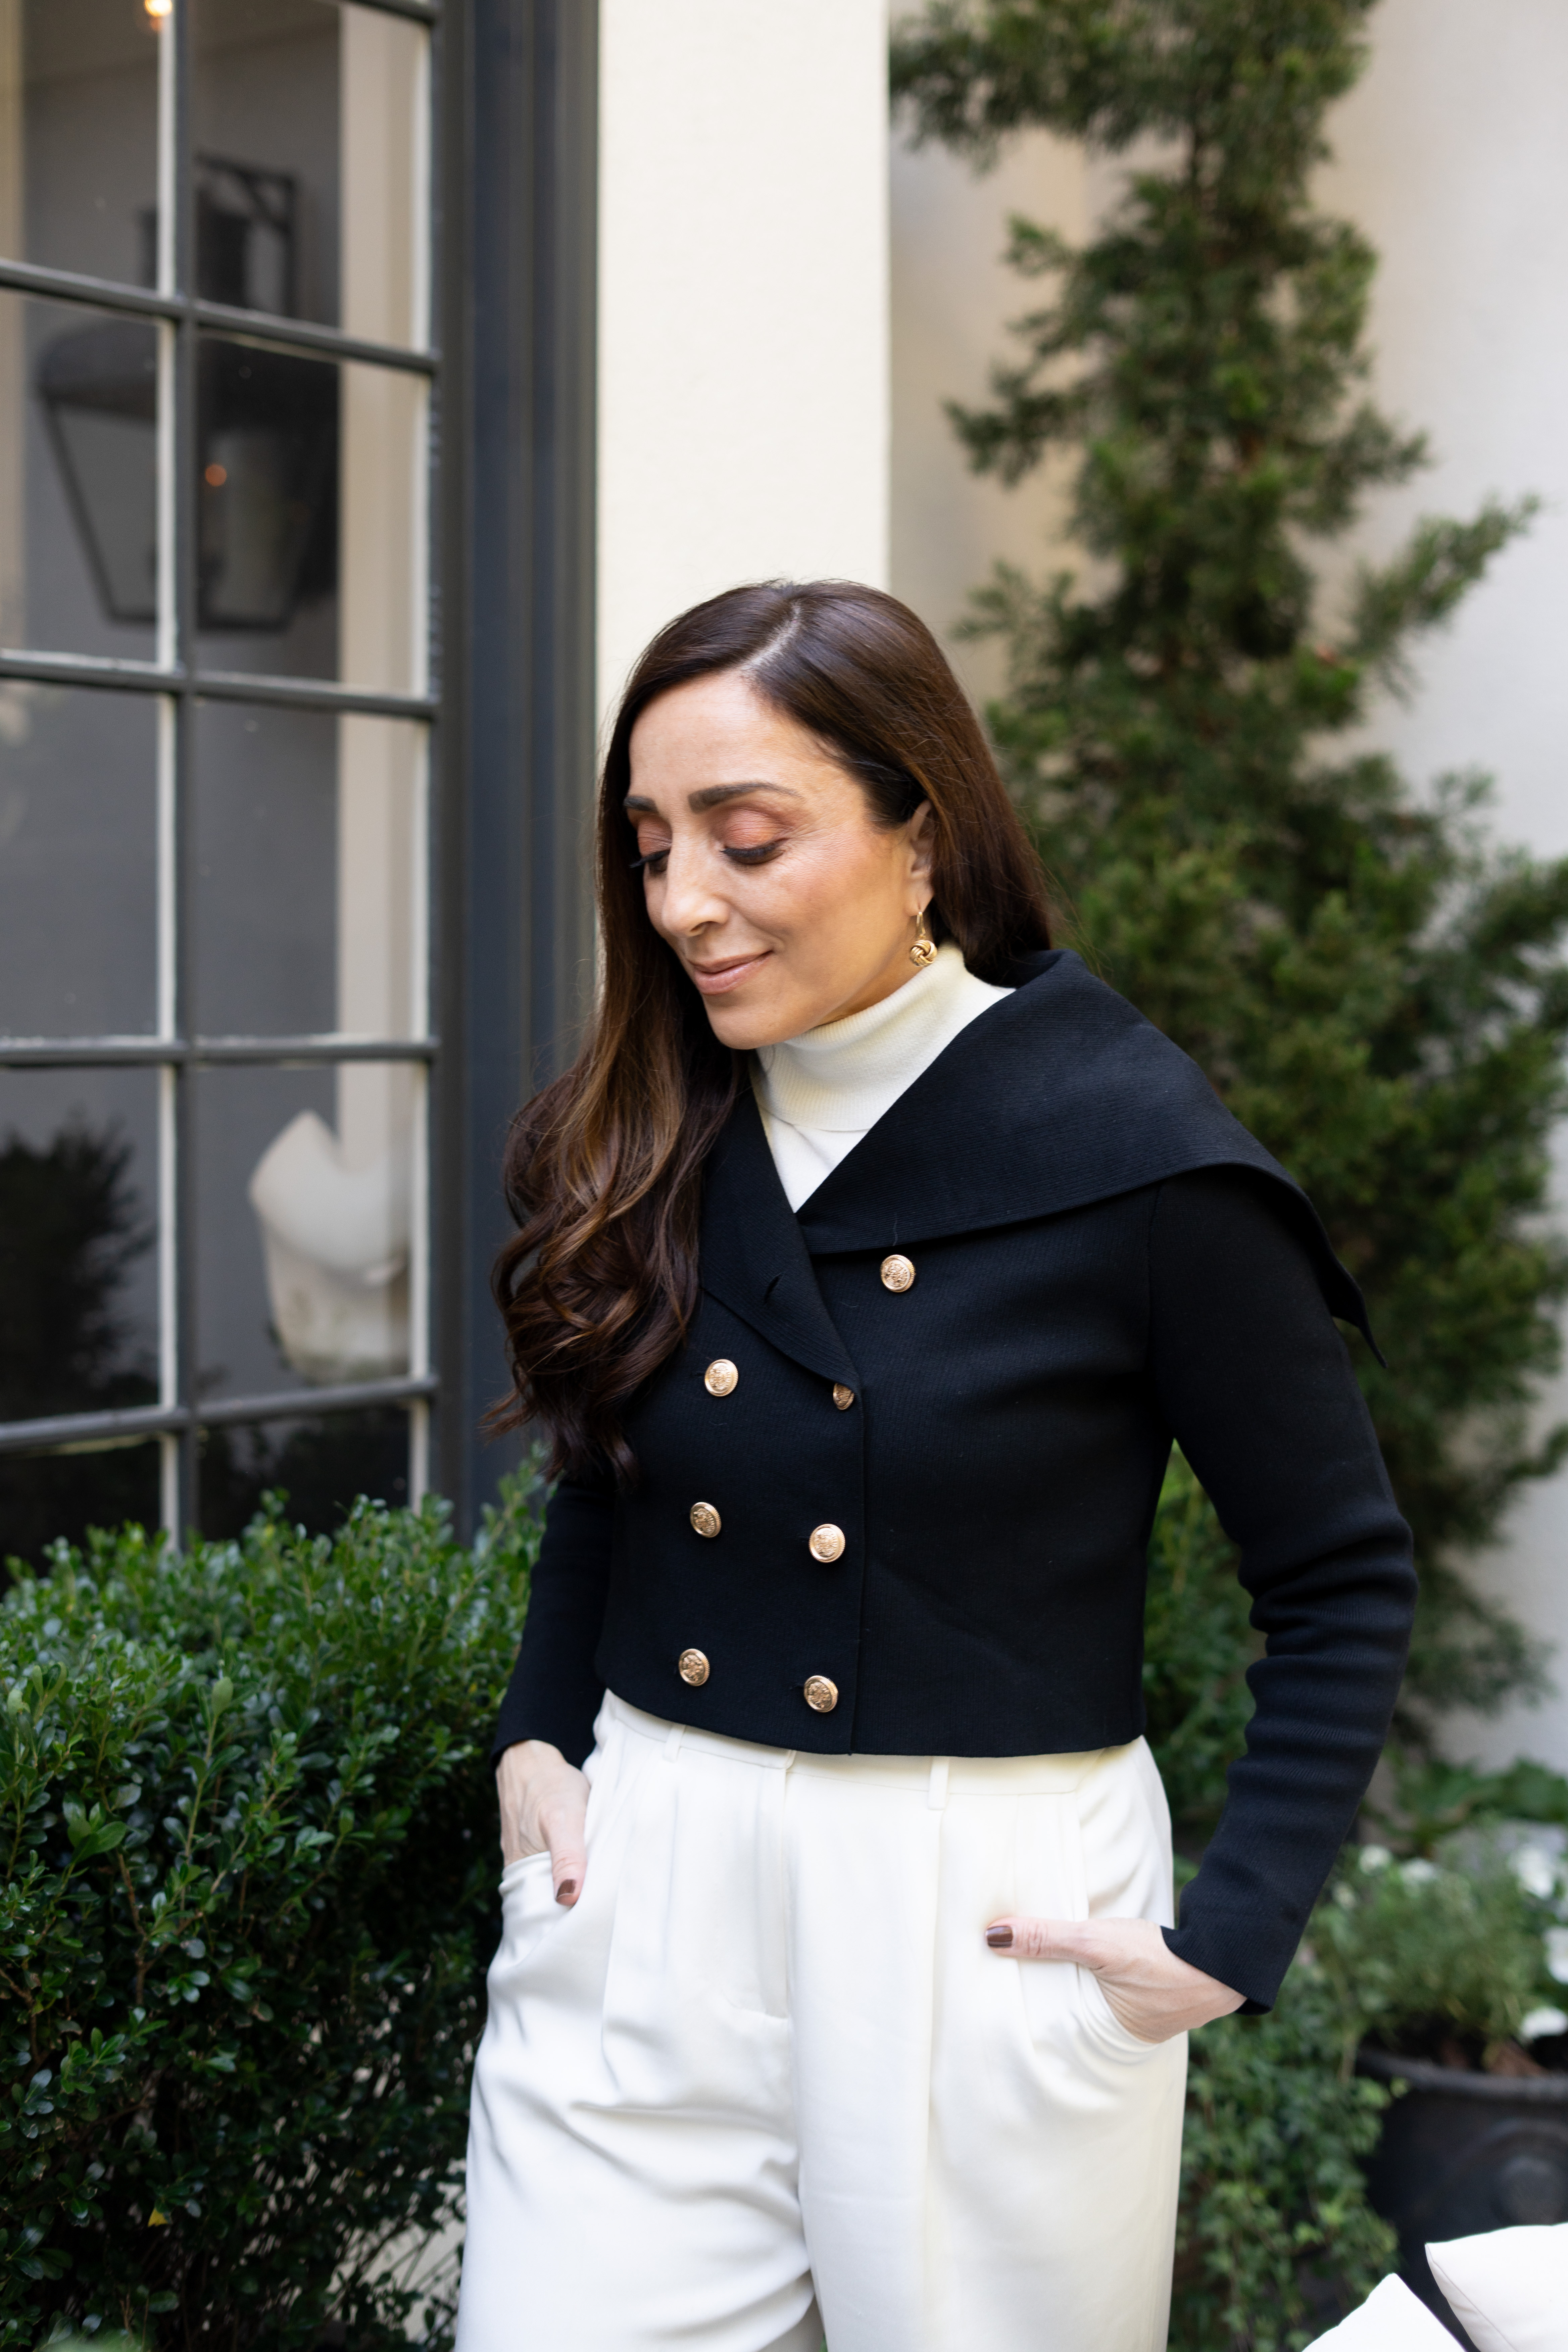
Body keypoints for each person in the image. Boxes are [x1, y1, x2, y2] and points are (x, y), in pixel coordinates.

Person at [454, 581, 1416, 2352]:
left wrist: (1232, 1931)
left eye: (748, 840)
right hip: (648, 1875)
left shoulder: (1138, 1158)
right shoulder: (659, 1118)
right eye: (653, 847)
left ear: (923, 829)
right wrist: (541, 1734)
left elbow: (1342, 1576)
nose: (683, 906)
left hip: (982, 1918)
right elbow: (610, 1470)